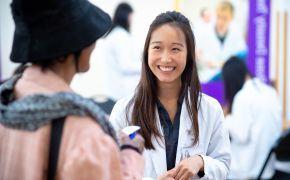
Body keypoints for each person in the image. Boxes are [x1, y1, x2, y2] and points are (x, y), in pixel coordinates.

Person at [0, 0, 144, 179]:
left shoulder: (7, 100)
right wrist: (131, 152)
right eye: (89, 36)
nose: (93, 44)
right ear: (71, 46)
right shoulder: (85, 135)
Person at [110, 11, 231, 179]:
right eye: (157, 48)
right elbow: (111, 171)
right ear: (147, 52)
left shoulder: (210, 109)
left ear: (189, 54)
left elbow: (224, 167)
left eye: (175, 49)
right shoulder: (125, 110)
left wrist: (201, 162)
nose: (166, 58)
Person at [222, 57, 282, 179]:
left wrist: (225, 118)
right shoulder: (269, 91)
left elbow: (241, 135)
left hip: (247, 171)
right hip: (268, 168)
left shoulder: (242, 97)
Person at [72, 2, 141, 101]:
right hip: (124, 93)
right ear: (125, 16)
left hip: (114, 91)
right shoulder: (121, 36)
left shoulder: (113, 35)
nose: (131, 20)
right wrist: (147, 65)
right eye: (131, 16)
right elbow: (126, 65)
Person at [196, 0, 247, 83]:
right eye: (219, 17)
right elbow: (198, 54)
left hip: (230, 77)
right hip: (208, 76)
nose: (221, 21)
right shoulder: (204, 31)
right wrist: (203, 59)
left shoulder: (236, 33)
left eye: (225, 18)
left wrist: (225, 64)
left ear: (231, 18)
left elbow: (241, 54)